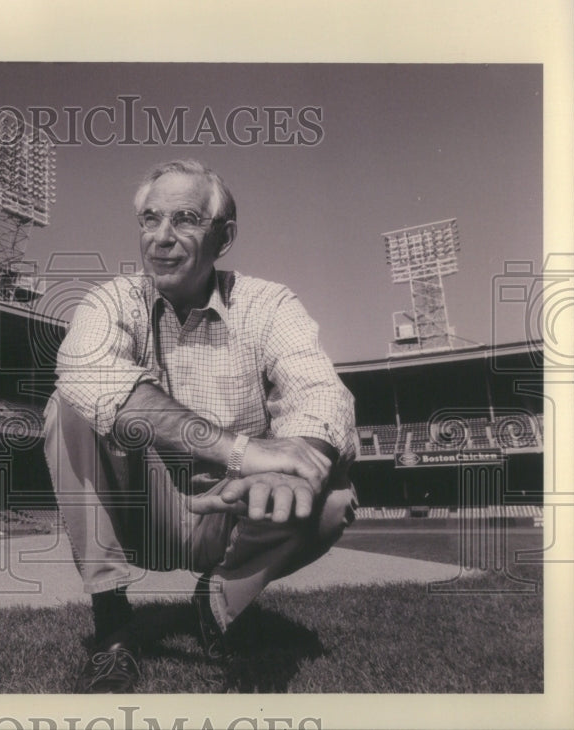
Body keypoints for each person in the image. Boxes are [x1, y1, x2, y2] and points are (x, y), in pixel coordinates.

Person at [42, 159, 358, 693]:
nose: (160, 239)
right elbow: (87, 373)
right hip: (144, 511)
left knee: (329, 494)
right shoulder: (114, 300)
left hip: (234, 512)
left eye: (184, 219)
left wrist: (296, 459)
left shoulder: (268, 303)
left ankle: (218, 605)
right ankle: (113, 627)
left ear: (223, 237)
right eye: (149, 219)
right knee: (67, 404)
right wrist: (241, 450)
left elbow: (319, 390)